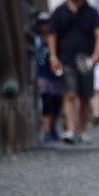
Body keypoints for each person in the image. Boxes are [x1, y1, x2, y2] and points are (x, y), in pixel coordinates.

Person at [48, 0, 99, 144]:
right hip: (66, 59)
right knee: (70, 93)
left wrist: (97, 53)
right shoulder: (59, 11)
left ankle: (82, 129)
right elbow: (52, 34)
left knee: (84, 96)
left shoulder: (91, 12)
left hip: (86, 60)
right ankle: (71, 129)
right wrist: (53, 56)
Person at [34, 12, 64, 142]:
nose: (45, 26)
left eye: (47, 23)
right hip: (42, 75)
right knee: (46, 102)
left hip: (56, 75)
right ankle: (46, 130)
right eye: (43, 23)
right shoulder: (36, 40)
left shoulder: (58, 40)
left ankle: (53, 127)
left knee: (56, 104)